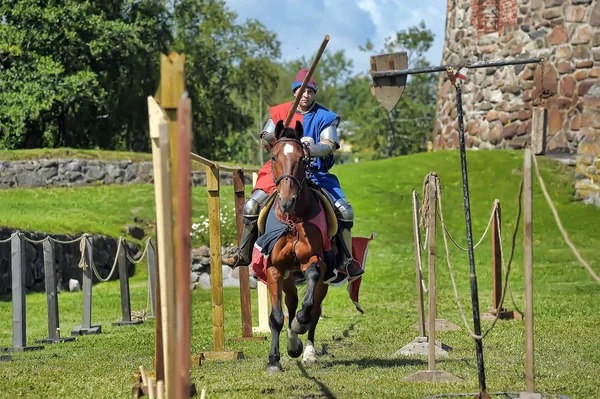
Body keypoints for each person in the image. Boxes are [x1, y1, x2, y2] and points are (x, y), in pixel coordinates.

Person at [224, 68, 363, 279]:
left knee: (345, 211)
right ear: (294, 92)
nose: (305, 95)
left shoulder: (325, 117)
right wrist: (274, 138)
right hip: (281, 173)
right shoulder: (279, 112)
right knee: (252, 205)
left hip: (314, 172)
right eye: (301, 90)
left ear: (314, 93)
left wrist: (310, 149)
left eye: (309, 91)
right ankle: (243, 252)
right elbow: (265, 138)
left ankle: (346, 259)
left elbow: (329, 144)